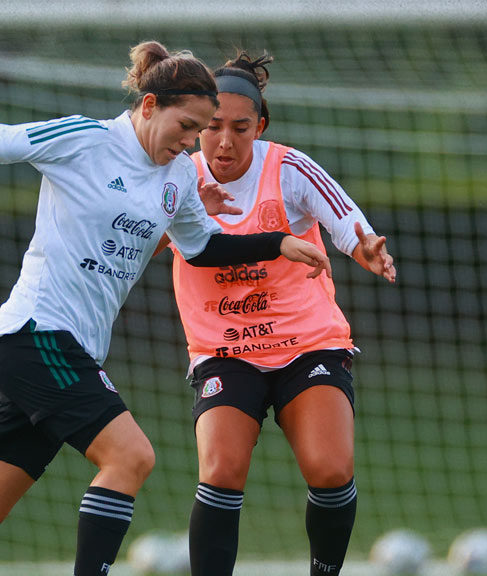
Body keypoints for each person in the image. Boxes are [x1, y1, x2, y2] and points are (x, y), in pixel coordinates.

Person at [0, 41, 333, 576]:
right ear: (150, 106)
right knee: (130, 456)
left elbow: (202, 247)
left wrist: (275, 243)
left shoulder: (178, 177)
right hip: (36, 334)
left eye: (197, 131)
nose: (190, 144)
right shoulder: (87, 139)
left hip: (70, 351)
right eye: (186, 127)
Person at [166, 51, 396, 575]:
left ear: (260, 126)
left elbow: (347, 223)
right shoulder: (177, 174)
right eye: (213, 126)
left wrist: (368, 249)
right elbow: (141, 238)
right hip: (224, 351)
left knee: (331, 468)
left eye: (241, 128)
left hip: (306, 345)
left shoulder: (288, 167)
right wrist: (178, 208)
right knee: (220, 469)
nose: (225, 141)